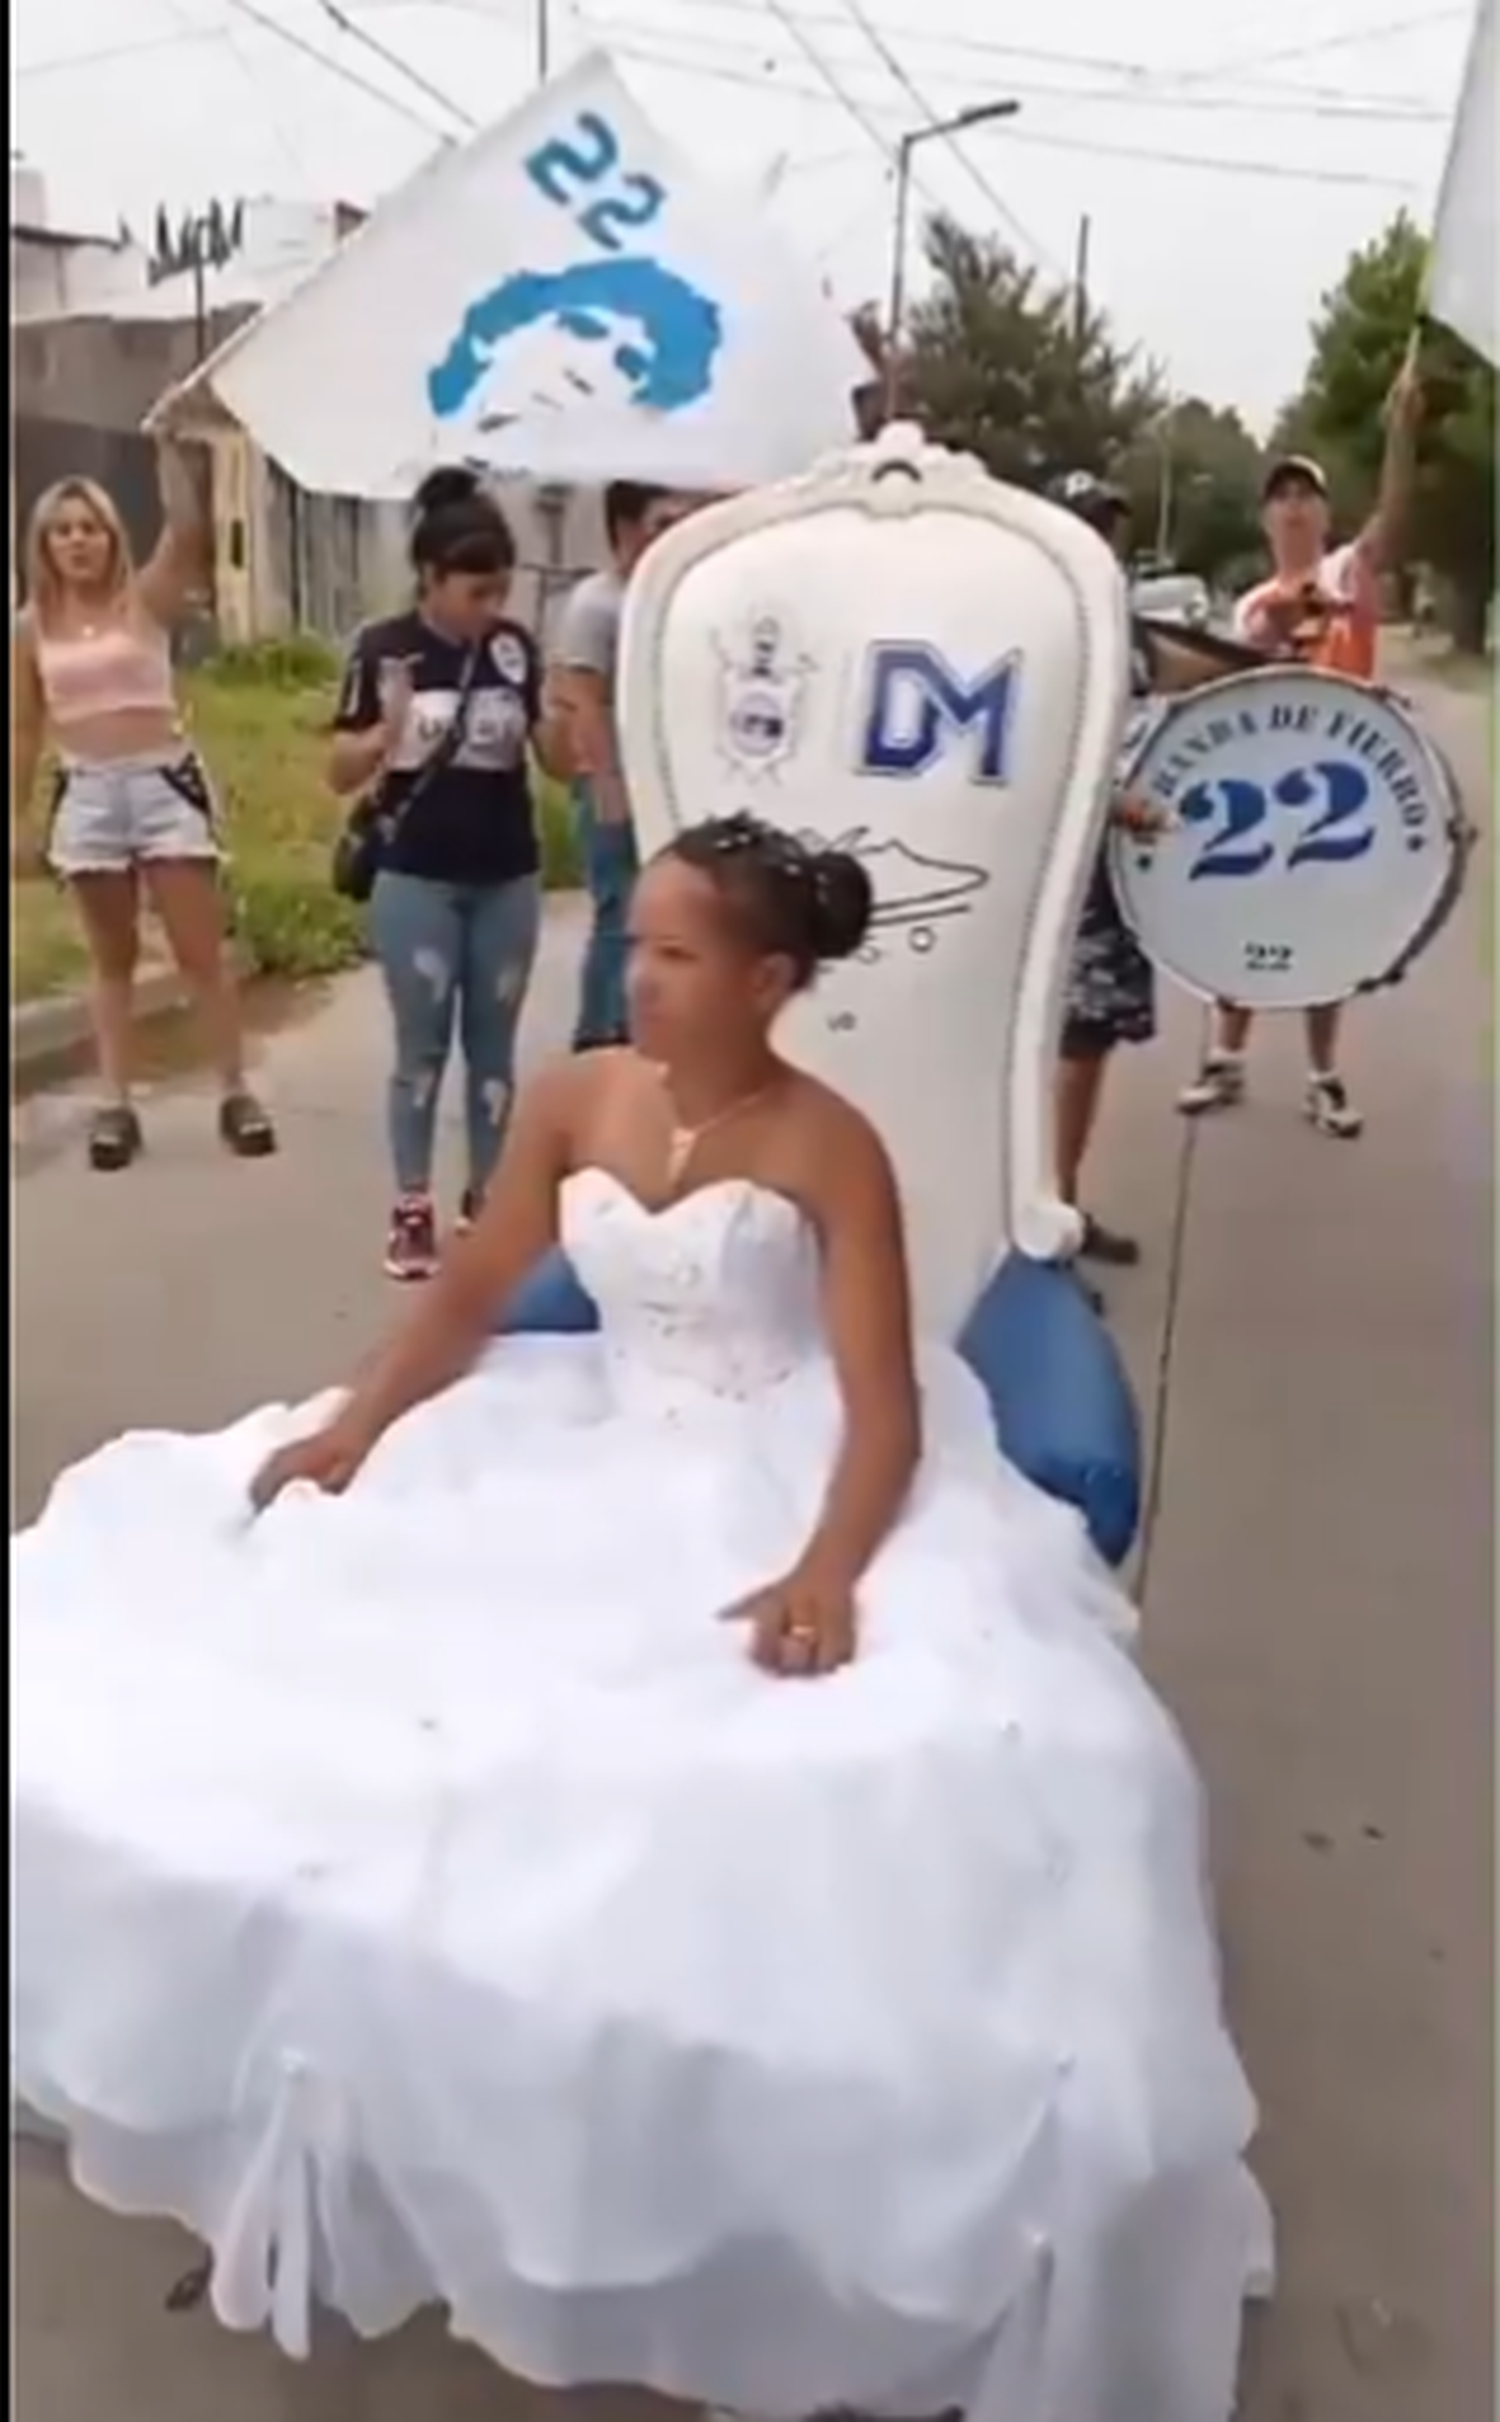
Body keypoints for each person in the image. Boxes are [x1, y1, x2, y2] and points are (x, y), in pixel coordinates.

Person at [14, 813, 1264, 2422]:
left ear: (767, 978)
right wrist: (358, 1423)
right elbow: (472, 1288)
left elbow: (881, 1402)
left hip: (774, 1456)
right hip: (580, 1424)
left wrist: (826, 1562)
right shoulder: (578, 1092)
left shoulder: (828, 1140)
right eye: (639, 942)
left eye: (676, 952)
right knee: (283, 1664)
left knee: (833, 1777)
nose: (638, 971)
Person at [1177, 338, 1425, 1137]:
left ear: (1323, 513)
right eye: (1280, 496)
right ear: (1265, 515)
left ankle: (1323, 1076)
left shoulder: (1350, 571)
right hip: (1264, 788)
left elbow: (1394, 518)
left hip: (1344, 781)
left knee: (1328, 938)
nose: (1292, 506)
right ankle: (1226, 1061)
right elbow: (1230, 681)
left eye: (1305, 495)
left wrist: (1403, 432)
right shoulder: (1251, 604)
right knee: (1243, 924)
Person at [10, 439, 276, 1171]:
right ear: (44, 544)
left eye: (88, 527)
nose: (76, 541)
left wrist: (167, 450)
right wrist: (18, 816)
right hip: (88, 794)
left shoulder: (145, 601)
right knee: (112, 959)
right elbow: (25, 725)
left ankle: (234, 1090)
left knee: (199, 952)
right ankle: (115, 1105)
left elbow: (187, 535)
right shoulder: (31, 627)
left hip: (163, 786)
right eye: (62, 530)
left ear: (109, 535)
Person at [330, 468, 567, 1279]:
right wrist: (384, 733)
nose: (488, 608)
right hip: (417, 875)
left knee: (493, 1050)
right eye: (474, 591)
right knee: (421, 1050)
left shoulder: (513, 651)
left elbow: (555, 763)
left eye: (500, 591)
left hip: (506, 872)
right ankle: (412, 1204)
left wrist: (564, 719)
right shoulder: (384, 650)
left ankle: (490, 1201)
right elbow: (336, 767)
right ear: (430, 580)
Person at [1050, 471, 1233, 1272]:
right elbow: (1036, 744)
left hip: (1111, 872)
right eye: (1088, 524)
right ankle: (1037, 1232)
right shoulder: (1042, 623)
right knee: (1054, 1047)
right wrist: (1115, 802)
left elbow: (1177, 673)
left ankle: (1056, 1207)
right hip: (1055, 872)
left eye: (1109, 527)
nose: (1103, 540)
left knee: (1085, 1048)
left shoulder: (1114, 622)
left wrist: (1269, 668)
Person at [550, 480, 686, 1051]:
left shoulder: (672, 599)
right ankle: (599, 1035)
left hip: (661, 780)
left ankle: (640, 1031)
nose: (672, 534)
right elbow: (580, 696)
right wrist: (606, 782)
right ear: (625, 530)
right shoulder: (597, 603)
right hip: (614, 785)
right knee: (618, 913)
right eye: (660, 523)